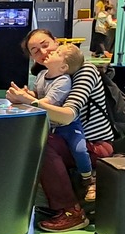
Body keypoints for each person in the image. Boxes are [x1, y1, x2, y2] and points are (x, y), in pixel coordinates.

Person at [6, 28, 115, 232]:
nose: (43, 52)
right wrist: (26, 97)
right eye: (35, 51)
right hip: (65, 140)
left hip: (93, 144)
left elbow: (67, 115)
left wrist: (31, 101)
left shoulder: (85, 71)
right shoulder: (45, 75)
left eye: (45, 45)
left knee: (40, 144)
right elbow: (45, 103)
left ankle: (70, 211)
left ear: (56, 43)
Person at [34, 44, 96, 203]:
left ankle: (88, 178)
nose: (47, 52)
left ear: (63, 67)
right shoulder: (41, 76)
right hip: (52, 126)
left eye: (56, 52)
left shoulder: (64, 80)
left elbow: (47, 102)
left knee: (79, 148)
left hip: (69, 126)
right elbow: (37, 95)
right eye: (34, 50)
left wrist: (28, 101)